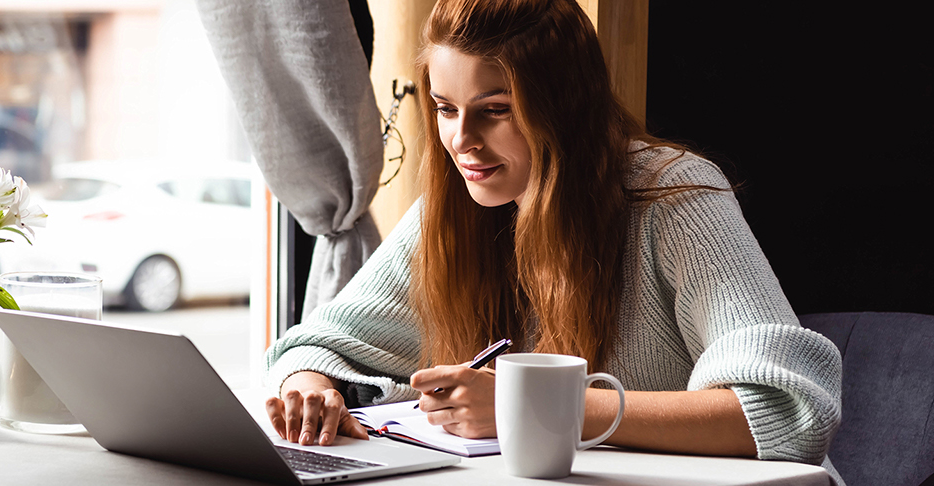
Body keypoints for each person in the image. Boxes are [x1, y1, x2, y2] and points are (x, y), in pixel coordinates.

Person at [262, 0, 843, 481]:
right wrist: (309, 389)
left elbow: (786, 413)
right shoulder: (457, 207)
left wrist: (536, 407)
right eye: (445, 108)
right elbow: (313, 346)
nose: (461, 140)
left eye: (495, 110)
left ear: (563, 106)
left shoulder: (674, 196)